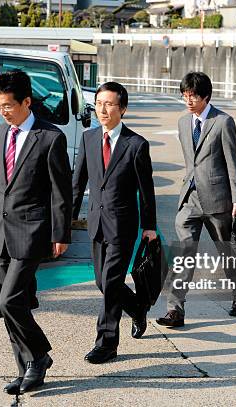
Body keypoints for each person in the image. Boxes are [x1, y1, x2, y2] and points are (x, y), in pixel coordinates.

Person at [0, 70, 72, 394]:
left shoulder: (50, 137)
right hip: (2, 233)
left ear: (26, 101)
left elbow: (61, 191)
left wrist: (61, 233)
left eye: (8, 105)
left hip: (33, 233)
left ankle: (38, 357)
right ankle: (24, 369)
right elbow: (0, 187)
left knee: (9, 301)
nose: (3, 111)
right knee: (10, 305)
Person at [72, 81, 157, 364]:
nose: (103, 109)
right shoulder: (88, 138)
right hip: (95, 222)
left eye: (109, 104)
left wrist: (149, 226)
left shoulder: (136, 145)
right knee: (102, 281)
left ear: (122, 108)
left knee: (110, 281)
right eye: (99, 103)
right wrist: (67, 218)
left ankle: (106, 343)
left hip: (123, 225)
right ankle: (136, 307)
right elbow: (78, 182)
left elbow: (146, 190)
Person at [157, 71, 236, 328]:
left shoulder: (223, 122)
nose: (188, 100)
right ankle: (175, 310)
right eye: (184, 95)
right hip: (190, 198)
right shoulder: (183, 123)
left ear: (205, 96)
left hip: (219, 200)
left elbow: (233, 162)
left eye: (193, 96)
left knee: (226, 252)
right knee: (183, 254)